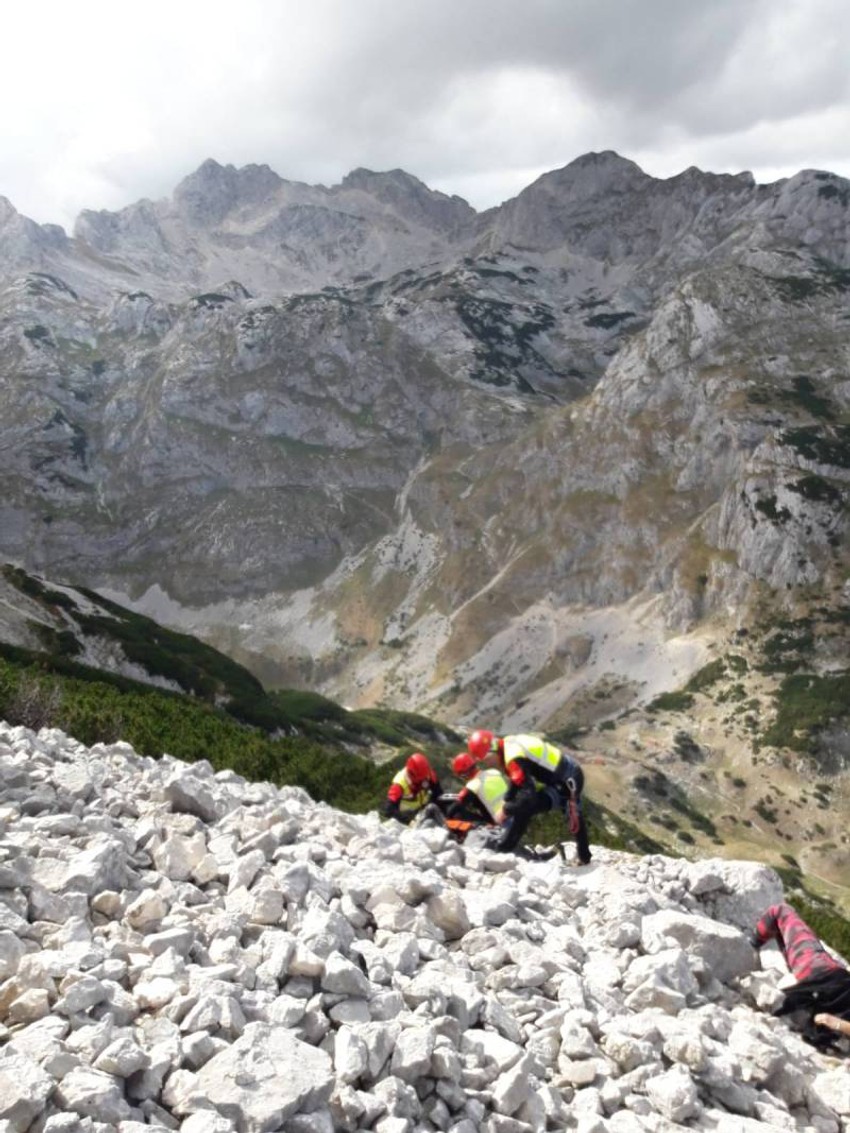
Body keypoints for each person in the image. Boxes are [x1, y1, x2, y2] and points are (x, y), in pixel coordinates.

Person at [466, 729, 591, 863]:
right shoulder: (507, 744)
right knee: (522, 807)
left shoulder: (513, 757)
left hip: (567, 782)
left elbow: (527, 797)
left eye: (485, 760)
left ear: (491, 752)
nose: (487, 764)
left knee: (526, 807)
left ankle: (503, 850)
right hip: (566, 775)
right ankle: (504, 849)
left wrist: (505, 810)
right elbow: (517, 783)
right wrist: (507, 803)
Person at [750, 902, 850, 1048]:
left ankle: (751, 945)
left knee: (780, 911)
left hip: (822, 975)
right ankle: (758, 943)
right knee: (786, 936)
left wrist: (836, 1023)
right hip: (827, 979)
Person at [383, 752, 443, 824]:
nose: (424, 780)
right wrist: (409, 822)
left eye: (425, 777)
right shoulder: (399, 785)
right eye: (421, 779)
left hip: (423, 808)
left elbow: (438, 793)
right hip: (405, 815)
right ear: (412, 774)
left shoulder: (428, 774)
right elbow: (389, 809)